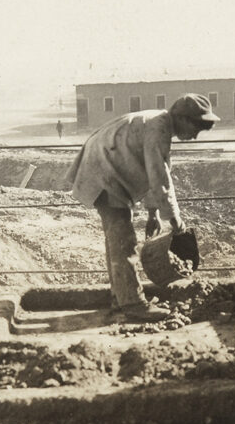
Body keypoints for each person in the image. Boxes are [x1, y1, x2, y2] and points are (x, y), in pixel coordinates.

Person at [66, 93, 219, 322]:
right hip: (103, 173)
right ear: (183, 119)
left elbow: (151, 172)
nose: (195, 135)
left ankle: (121, 298)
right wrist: (174, 218)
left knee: (116, 240)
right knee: (123, 240)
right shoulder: (158, 129)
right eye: (196, 127)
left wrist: (153, 212)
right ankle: (132, 303)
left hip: (104, 170)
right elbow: (159, 176)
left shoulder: (159, 124)